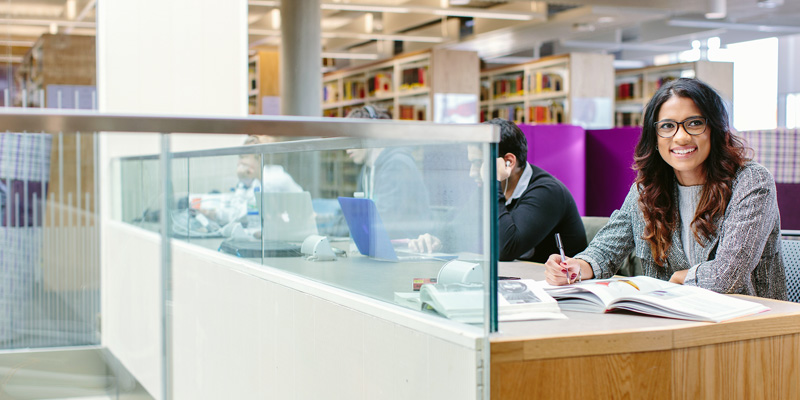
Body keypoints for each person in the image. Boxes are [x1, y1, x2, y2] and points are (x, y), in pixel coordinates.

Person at [544, 78, 787, 300]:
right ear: (655, 136)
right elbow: (607, 247)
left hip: (752, 326)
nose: (681, 137)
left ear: (715, 129)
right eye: (668, 126)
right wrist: (577, 266)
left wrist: (681, 278)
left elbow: (728, 274)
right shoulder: (648, 189)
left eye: (694, 123)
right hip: (673, 319)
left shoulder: (751, 181)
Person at [410, 118, 587, 263]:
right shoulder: (495, 188)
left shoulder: (547, 191)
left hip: (563, 294)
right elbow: (458, 230)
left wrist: (492, 181)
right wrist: (436, 241)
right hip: (523, 284)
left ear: (508, 162)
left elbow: (506, 248)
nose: (472, 173)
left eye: (479, 163)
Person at [343, 105, 432, 239]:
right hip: (383, 246)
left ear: (370, 135)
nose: (347, 149)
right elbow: (358, 215)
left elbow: (384, 221)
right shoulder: (367, 170)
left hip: (406, 250)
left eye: (352, 140)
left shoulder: (397, 165)